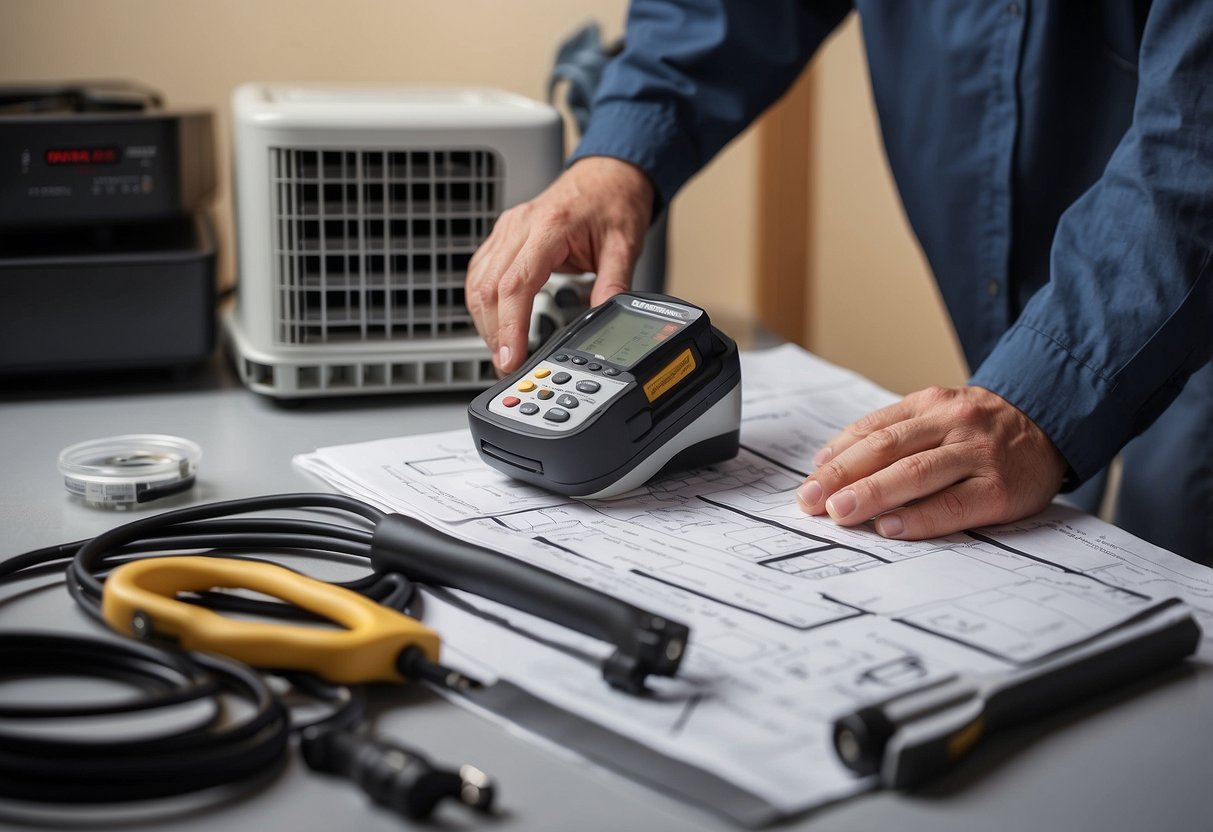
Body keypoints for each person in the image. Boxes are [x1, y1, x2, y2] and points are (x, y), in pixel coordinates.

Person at [466, 0, 1213, 565]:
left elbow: (1194, 150)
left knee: (1169, 557)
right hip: (1018, 306)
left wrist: (1048, 392)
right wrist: (620, 153)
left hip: (1188, 292)